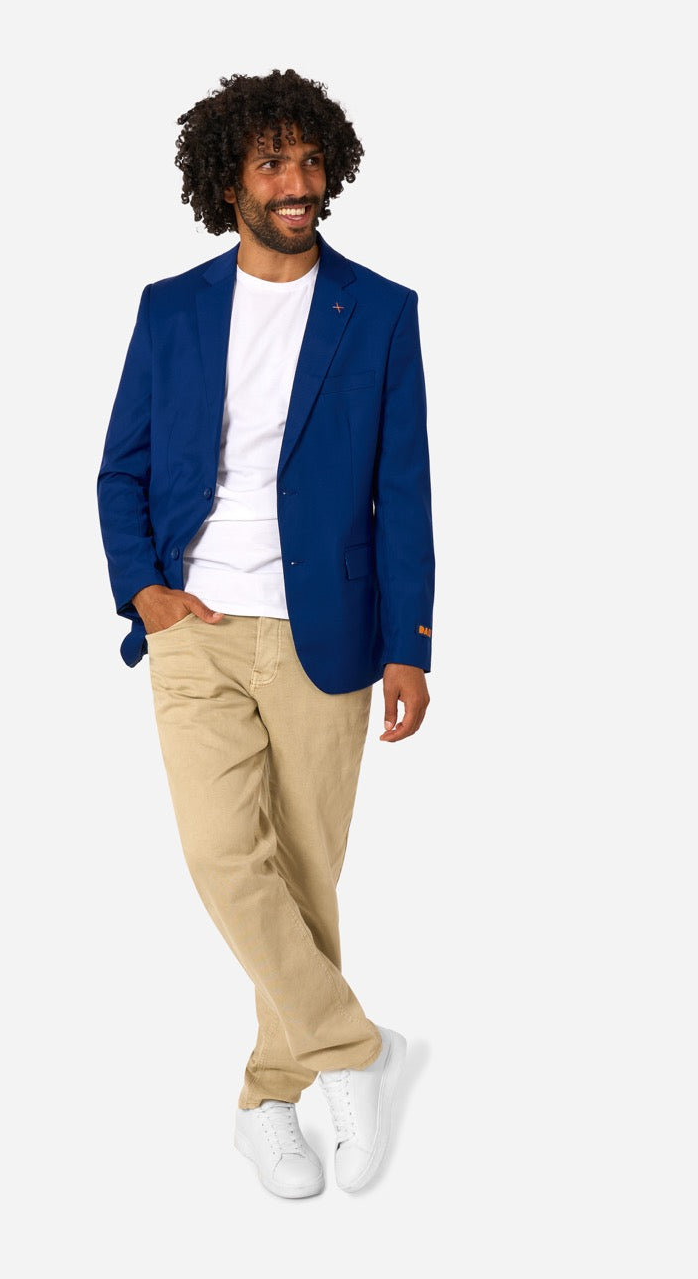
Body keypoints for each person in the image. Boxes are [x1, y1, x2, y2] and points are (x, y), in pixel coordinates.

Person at [96, 68, 435, 1198]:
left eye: (309, 160)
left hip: (325, 626)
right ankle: (357, 1050)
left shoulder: (379, 310)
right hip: (193, 622)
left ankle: (266, 1102)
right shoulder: (172, 308)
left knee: (303, 872)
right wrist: (144, 590)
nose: (296, 183)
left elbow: (403, 489)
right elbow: (121, 468)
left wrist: (410, 642)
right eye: (271, 163)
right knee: (220, 856)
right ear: (228, 181)